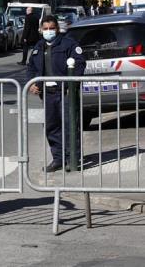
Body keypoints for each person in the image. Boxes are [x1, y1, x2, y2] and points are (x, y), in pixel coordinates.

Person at [26, 15, 86, 172]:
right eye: (45, 29)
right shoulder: (38, 47)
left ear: (57, 29)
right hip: (47, 93)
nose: (48, 31)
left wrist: (70, 84)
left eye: (51, 28)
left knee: (69, 125)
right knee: (52, 127)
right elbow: (31, 68)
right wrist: (32, 83)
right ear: (40, 30)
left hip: (65, 92)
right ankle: (58, 158)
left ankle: (72, 159)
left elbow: (79, 64)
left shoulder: (68, 44)